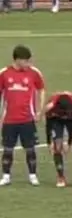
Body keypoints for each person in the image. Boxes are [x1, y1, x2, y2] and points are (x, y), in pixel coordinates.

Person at [0, 45, 45, 186]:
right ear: (18, 60)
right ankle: (6, 176)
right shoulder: (4, 74)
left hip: (28, 119)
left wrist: (39, 111)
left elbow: (41, 89)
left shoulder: (34, 73)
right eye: (26, 61)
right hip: (9, 119)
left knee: (30, 148)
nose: (29, 64)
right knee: (7, 149)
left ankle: (33, 175)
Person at [44, 90, 72, 187]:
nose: (65, 116)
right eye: (64, 113)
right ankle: (60, 176)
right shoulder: (50, 108)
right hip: (56, 121)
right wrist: (49, 143)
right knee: (57, 147)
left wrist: (69, 144)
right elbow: (48, 126)